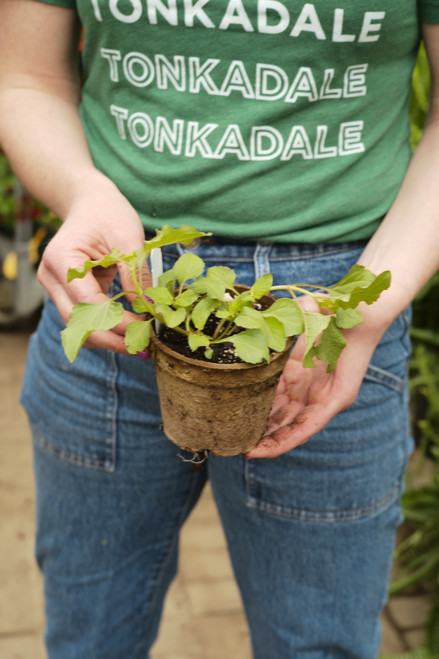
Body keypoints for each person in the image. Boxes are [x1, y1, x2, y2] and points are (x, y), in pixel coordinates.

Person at [1, 1, 439, 657]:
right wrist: (80, 190)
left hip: (328, 315)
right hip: (119, 292)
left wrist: (363, 303)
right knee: (90, 638)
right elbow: (25, 76)